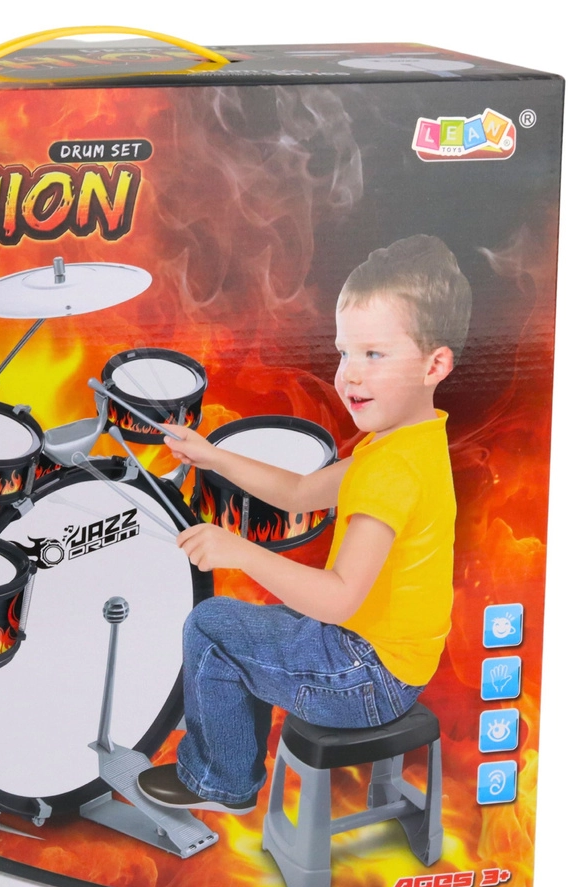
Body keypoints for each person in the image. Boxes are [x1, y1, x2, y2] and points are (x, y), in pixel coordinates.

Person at [137, 234, 470, 814]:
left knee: (211, 625)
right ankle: (228, 751)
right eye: (344, 353)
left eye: (374, 354)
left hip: (364, 677)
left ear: (434, 364)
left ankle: (219, 781)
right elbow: (299, 491)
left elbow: (338, 600)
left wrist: (239, 551)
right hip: (396, 663)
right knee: (257, 621)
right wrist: (212, 456)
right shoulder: (411, 441)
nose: (350, 376)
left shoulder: (390, 472)